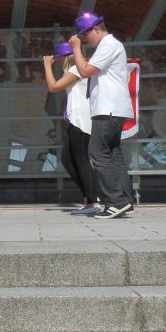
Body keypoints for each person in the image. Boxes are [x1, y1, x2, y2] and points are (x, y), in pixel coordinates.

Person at [68, 12, 135, 219]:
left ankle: (115, 201)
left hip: (108, 108)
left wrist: (76, 48)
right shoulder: (110, 45)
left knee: (97, 152)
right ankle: (124, 200)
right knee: (113, 153)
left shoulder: (108, 45)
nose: (84, 39)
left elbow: (85, 71)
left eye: (85, 34)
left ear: (96, 29)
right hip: (114, 108)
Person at [43, 42, 100, 215]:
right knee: (68, 159)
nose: (58, 62)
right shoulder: (75, 70)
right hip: (75, 120)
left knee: (81, 161)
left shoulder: (76, 70)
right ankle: (89, 198)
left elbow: (53, 87)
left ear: (64, 57)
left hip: (81, 121)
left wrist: (47, 66)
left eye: (59, 59)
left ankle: (93, 201)